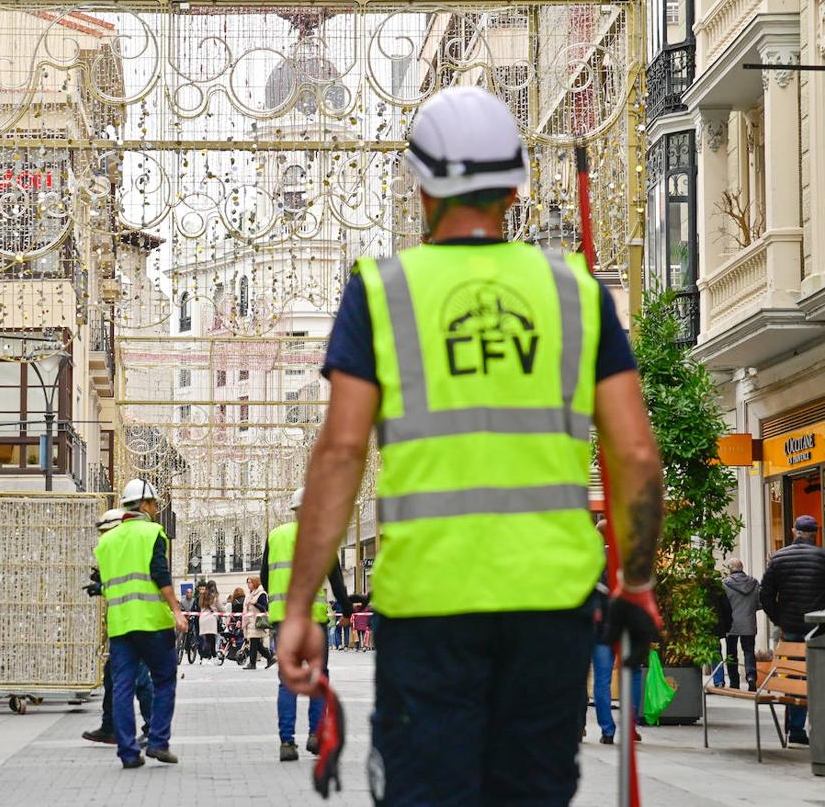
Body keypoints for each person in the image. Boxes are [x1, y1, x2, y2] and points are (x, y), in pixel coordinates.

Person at [275, 86, 665, 805]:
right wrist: (636, 585)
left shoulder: (384, 292)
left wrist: (300, 607)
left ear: (422, 187)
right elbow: (637, 456)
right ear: (516, 186)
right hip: (551, 604)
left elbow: (338, 454)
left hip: (428, 607)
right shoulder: (574, 291)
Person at [94, 479, 187, 768]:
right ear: (144, 505)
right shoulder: (152, 533)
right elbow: (160, 573)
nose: (158, 510)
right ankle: (158, 742)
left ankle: (128, 752)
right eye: (155, 504)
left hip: (120, 624)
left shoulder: (106, 541)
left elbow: (105, 583)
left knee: (122, 686)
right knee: (164, 679)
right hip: (151, 622)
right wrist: (176, 610)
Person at [261, 487, 353, 762]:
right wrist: (347, 610)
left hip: (284, 620)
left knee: (287, 680)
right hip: (313, 621)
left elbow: (265, 577)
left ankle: (287, 743)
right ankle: (315, 735)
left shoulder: (275, 536)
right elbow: (336, 582)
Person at [83, 508, 155, 747]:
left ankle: (152, 727)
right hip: (124, 623)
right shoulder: (118, 549)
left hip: (138, 622)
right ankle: (110, 726)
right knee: (113, 677)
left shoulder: (128, 550)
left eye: (105, 532)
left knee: (140, 679)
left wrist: (101, 586)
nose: (103, 538)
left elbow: (127, 586)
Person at [760, 514, 825, 745]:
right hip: (818, 628)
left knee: (795, 676)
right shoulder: (822, 557)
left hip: (791, 629)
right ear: (815, 533)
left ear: (793, 530)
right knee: (819, 677)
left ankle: (796, 730)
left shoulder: (779, 558)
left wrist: (779, 619)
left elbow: (765, 595)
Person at [589, 519, 641, 745]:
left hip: (601, 628)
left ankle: (607, 730)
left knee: (602, 679)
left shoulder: (593, 560)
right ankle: (630, 727)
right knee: (633, 674)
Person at [721, 558, 760, 691]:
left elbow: (723, 605)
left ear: (730, 569)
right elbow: (759, 602)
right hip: (749, 622)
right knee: (749, 651)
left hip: (731, 623)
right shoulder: (754, 583)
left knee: (731, 653)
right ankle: (751, 677)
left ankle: (734, 682)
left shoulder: (725, 584)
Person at [242, 576, 275, 670]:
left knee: (254, 643)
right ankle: (270, 657)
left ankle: (252, 663)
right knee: (256, 644)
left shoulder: (261, 594)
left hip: (257, 622)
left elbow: (265, 608)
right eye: (247, 582)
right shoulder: (250, 594)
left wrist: (254, 603)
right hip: (250, 622)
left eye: (250, 582)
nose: (248, 585)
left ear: (255, 583)